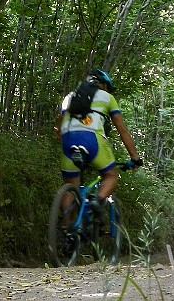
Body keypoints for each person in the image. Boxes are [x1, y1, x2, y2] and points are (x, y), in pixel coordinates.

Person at [55, 68, 142, 208]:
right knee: (111, 176)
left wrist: (61, 135)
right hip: (92, 139)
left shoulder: (71, 96)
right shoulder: (107, 97)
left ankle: (66, 227)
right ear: (103, 85)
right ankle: (97, 202)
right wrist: (134, 157)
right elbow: (122, 130)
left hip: (68, 140)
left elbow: (59, 125)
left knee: (71, 186)